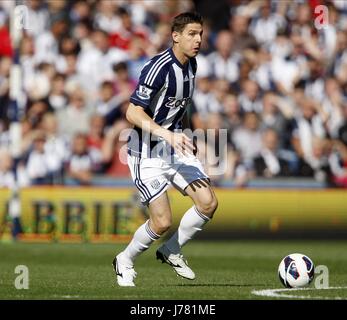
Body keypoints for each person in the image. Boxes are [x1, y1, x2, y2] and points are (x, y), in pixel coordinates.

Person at [112, 12, 218, 287]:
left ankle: (172, 249)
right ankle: (124, 259)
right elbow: (132, 112)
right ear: (176, 36)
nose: (198, 40)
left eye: (201, 34)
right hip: (145, 152)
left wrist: (184, 135)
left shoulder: (192, 66)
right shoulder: (157, 68)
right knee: (161, 223)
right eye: (192, 34)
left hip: (173, 148)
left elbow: (177, 108)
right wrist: (167, 135)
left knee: (208, 202)